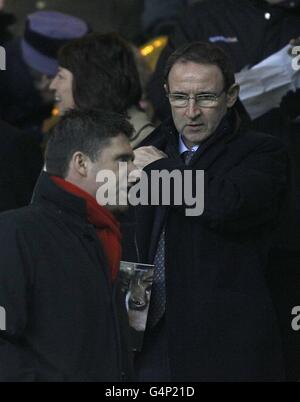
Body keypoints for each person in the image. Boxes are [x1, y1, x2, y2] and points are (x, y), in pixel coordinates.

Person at [145, 0, 300, 380]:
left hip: (223, 348)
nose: (192, 111)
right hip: (150, 342)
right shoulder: (147, 148)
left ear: (231, 96)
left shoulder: (263, 152)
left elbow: (224, 204)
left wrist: (162, 170)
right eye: (180, 98)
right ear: (166, 95)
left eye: (207, 98)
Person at [0, 109, 136, 381]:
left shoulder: (113, 234)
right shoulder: (16, 233)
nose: (134, 173)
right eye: (122, 161)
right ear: (81, 163)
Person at [50, 32, 154, 149]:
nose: (52, 85)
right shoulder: (87, 136)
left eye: (60, 76)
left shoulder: (143, 149)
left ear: (89, 82)